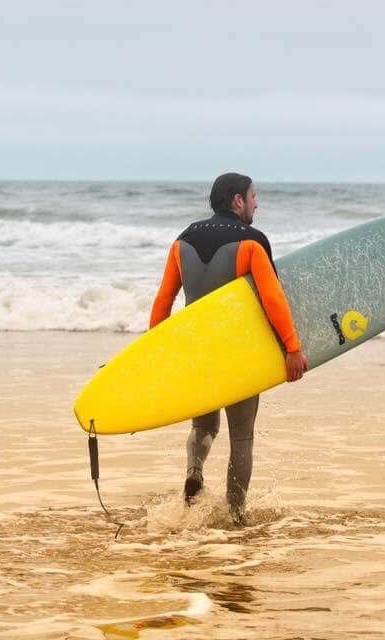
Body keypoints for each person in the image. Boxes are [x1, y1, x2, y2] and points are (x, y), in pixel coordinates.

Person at [149, 172, 308, 520]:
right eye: (253, 197)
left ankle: (194, 471)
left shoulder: (182, 241)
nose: (256, 203)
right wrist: (292, 348)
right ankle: (236, 515)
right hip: (237, 354)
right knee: (242, 438)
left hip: (197, 354)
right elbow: (272, 300)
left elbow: (164, 300)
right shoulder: (252, 241)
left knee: (203, 426)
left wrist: (153, 351)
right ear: (237, 200)